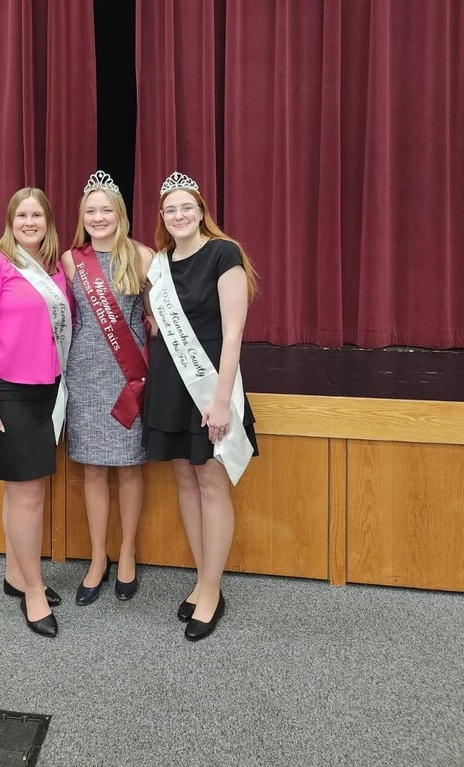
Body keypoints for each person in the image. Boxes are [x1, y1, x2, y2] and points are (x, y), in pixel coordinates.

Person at [142, 171, 259, 641]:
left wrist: (222, 400)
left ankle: (211, 591)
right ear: (163, 218)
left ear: (201, 210)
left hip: (210, 380)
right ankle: (201, 579)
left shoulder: (223, 253)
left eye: (186, 207)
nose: (178, 215)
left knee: (212, 482)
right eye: (170, 210)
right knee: (185, 481)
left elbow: (233, 334)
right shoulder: (161, 264)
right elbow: (157, 323)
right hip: (171, 383)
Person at [0, 187, 72, 638]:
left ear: (48, 221)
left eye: (37, 215)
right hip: (5, 394)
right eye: (22, 215)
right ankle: (35, 591)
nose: (29, 222)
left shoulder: (54, 268)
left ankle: (15, 575)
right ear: (9, 220)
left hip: (45, 392)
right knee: (28, 494)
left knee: (21, 492)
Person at [61, 171, 153, 605]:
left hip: (127, 378)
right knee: (93, 468)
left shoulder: (142, 258)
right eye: (91, 211)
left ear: (120, 214)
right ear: (83, 216)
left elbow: (161, 315)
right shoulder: (69, 260)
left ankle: (128, 551)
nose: (99, 217)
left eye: (106, 210)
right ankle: (98, 557)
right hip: (85, 374)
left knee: (130, 467)